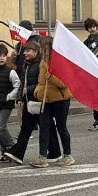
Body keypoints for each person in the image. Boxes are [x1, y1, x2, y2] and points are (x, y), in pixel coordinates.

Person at [3, 40, 61, 164]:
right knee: (26, 128)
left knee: (47, 128)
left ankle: (55, 153)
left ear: (35, 52)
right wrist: (19, 97)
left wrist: (27, 90)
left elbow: (41, 83)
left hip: (40, 100)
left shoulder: (40, 64)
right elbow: (23, 82)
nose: (25, 53)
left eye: (28, 51)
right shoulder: (26, 64)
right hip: (29, 102)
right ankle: (18, 154)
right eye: (25, 50)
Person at [31, 36, 74, 168]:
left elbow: (65, 83)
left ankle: (68, 155)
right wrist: (37, 91)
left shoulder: (59, 62)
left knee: (61, 127)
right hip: (46, 100)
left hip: (60, 100)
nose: (40, 50)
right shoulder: (42, 62)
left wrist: (52, 78)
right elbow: (41, 81)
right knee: (44, 128)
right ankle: (42, 157)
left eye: (41, 47)